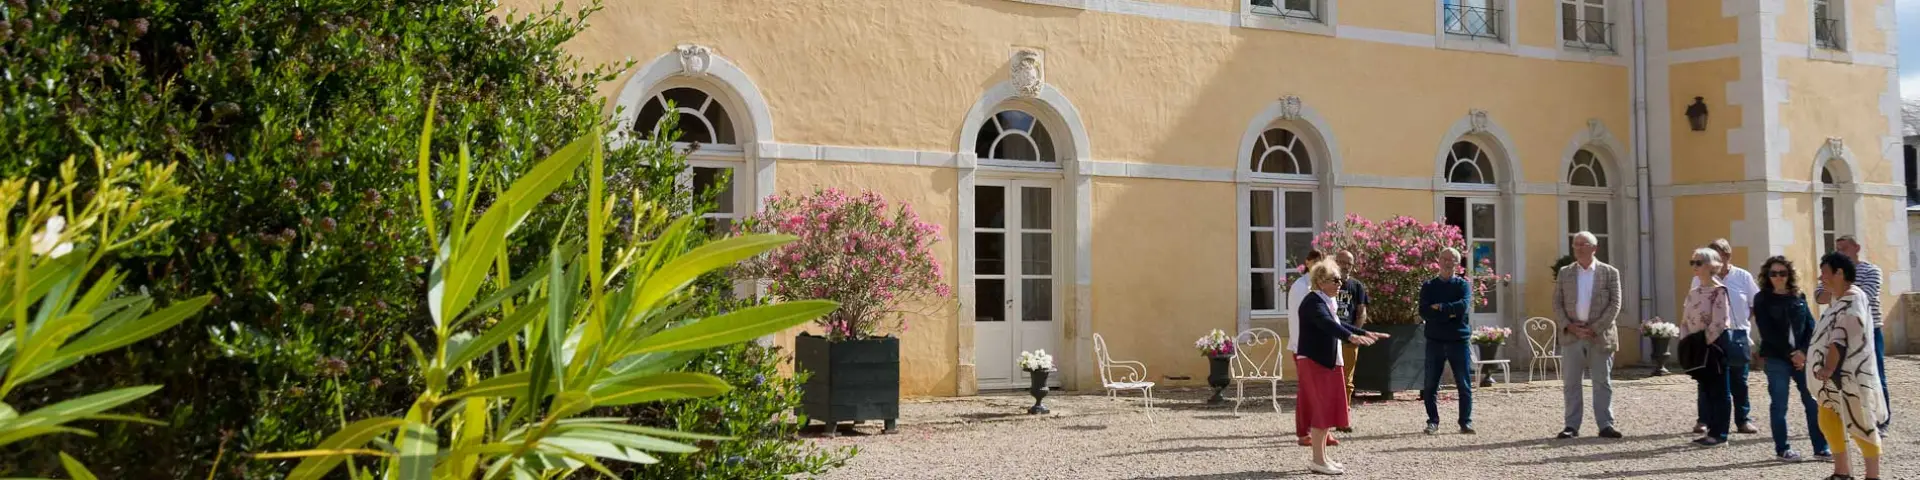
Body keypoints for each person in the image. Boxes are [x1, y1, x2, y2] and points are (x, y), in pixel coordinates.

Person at [1296, 260, 1389, 475]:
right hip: (1315, 362)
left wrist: (1365, 332)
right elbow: (1327, 324)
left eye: (1340, 280)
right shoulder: (1312, 302)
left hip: (1327, 362)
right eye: (1334, 280)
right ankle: (1318, 460)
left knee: (1328, 409)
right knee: (1321, 410)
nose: (1340, 284)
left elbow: (1338, 323)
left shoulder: (1326, 301)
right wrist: (1351, 337)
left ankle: (1323, 457)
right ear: (1320, 282)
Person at [1811, 252, 1888, 480]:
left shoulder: (1853, 300)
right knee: (1828, 419)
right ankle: (1841, 472)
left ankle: (1872, 476)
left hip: (1850, 375)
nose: (1821, 278)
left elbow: (1840, 338)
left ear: (1839, 273)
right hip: (1834, 379)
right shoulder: (1839, 299)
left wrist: (1828, 368)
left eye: (1824, 273)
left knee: (1861, 424)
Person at [1751, 255, 1831, 462]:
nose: (1778, 277)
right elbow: (1767, 332)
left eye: (1782, 273)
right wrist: (1791, 354)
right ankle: (1783, 449)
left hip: (1803, 359)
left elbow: (1811, 326)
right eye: (1773, 273)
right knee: (1779, 404)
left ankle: (1821, 447)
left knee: (1813, 402)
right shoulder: (1762, 299)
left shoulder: (1798, 296)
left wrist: (1803, 352)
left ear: (1789, 275)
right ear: (1767, 276)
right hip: (1776, 358)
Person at [1552, 232, 1625, 439]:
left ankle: (1606, 425)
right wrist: (1569, 326)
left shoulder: (1609, 272)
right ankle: (1571, 425)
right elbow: (1557, 303)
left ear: (1594, 248)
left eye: (1582, 244)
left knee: (1602, 382)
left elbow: (1615, 304)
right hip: (1572, 335)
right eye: (1575, 245)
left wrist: (1595, 328)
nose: (1578, 248)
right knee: (1571, 383)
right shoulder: (1565, 273)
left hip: (1600, 336)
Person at [1816, 235, 1891, 435]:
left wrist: (1836, 287)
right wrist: (1836, 287)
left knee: (1874, 373)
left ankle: (1881, 421)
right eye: (1837, 249)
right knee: (1842, 374)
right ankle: (1851, 417)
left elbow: (1864, 295)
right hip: (1838, 329)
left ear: (1856, 248)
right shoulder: (1831, 272)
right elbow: (1819, 297)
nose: (1840, 252)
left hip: (1868, 330)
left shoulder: (1871, 270)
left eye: (1844, 248)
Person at [1690, 239, 1760, 434]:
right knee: (1707, 381)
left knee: (1740, 381)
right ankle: (1704, 419)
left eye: (1716, 255)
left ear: (1727, 256)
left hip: (1737, 335)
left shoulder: (1743, 276)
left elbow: (1755, 302)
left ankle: (1743, 420)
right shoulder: (1700, 278)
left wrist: (1744, 321)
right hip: (1710, 336)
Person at [1418, 248, 1474, 435]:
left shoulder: (1462, 285)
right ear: (1439, 261)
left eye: (1452, 259)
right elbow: (1424, 311)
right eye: (1444, 259)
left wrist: (1440, 308)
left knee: (1463, 384)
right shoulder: (1429, 286)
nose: (1448, 262)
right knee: (1430, 385)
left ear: (1457, 263)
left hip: (1458, 340)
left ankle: (1465, 422)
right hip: (1435, 340)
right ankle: (1432, 421)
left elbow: (1463, 307)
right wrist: (1450, 314)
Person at [1682, 247, 1735, 446]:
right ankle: (1709, 429)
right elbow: (1685, 320)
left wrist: (1703, 343)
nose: (1694, 267)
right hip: (1697, 345)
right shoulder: (1693, 292)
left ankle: (1720, 434)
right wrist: (1686, 342)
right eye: (1692, 263)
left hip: (1714, 345)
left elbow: (1719, 322)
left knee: (1719, 390)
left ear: (1710, 265)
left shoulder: (1719, 291)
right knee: (1705, 388)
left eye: (1698, 262)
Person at [1287, 249, 1328, 446]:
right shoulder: (1301, 287)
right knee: (1307, 392)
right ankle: (1304, 432)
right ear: (1308, 262)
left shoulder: (1320, 286)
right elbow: (1300, 320)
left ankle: (1322, 430)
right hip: (1304, 346)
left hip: (1319, 346)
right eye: (1316, 261)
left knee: (1322, 391)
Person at [1333, 251, 1371, 410]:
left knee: (1347, 379)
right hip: (1330, 337)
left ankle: (1344, 410)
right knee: (1329, 376)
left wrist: (1354, 334)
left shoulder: (1356, 286)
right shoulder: (1327, 284)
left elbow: (1362, 313)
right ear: (1335, 262)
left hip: (1348, 338)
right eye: (1342, 262)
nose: (1345, 266)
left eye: (1349, 263)